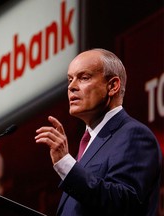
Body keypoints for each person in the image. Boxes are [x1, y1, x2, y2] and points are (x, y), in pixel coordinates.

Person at [35, 48, 162, 216]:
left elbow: (123, 204)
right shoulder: (90, 143)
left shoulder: (133, 135)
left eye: (84, 78)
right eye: (70, 80)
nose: (72, 87)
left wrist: (65, 163)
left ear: (113, 86)